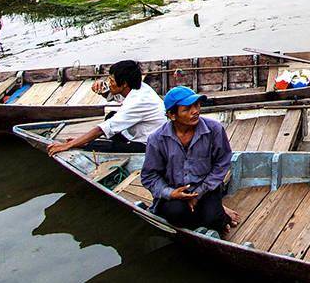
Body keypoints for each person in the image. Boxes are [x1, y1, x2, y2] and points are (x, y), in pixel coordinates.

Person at [141, 86, 238, 235]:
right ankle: (216, 214)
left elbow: (222, 163)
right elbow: (149, 176)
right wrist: (171, 193)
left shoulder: (214, 130)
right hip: (175, 191)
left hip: (206, 190)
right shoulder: (157, 139)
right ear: (172, 115)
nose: (195, 111)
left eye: (197, 105)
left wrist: (198, 193)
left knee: (213, 220)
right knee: (176, 214)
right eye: (187, 109)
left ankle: (217, 214)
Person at [47, 60, 166, 155]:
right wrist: (102, 91)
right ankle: (87, 142)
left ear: (124, 83)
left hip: (150, 146)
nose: (109, 83)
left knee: (97, 146)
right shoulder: (138, 87)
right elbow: (117, 97)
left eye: (112, 80)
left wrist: (69, 145)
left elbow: (101, 129)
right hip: (140, 133)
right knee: (111, 116)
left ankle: (89, 144)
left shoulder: (138, 101)